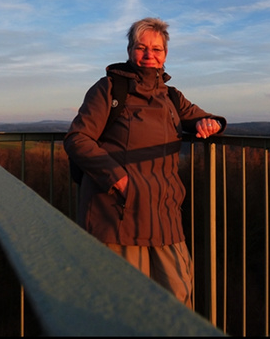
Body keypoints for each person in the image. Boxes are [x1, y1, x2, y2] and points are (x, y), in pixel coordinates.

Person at [64, 17, 227, 307]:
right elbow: (78, 138)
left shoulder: (171, 96)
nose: (149, 54)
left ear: (165, 54)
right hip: (117, 215)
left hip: (165, 213)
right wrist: (117, 178)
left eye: (157, 49)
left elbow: (202, 117)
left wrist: (210, 123)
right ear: (130, 51)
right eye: (142, 48)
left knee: (177, 300)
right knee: (122, 306)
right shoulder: (109, 89)